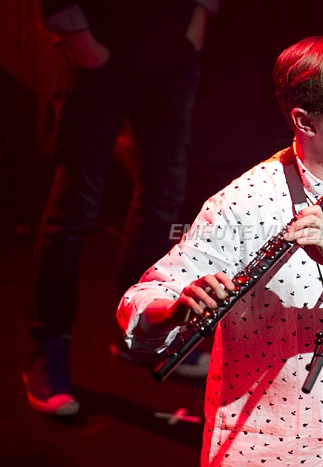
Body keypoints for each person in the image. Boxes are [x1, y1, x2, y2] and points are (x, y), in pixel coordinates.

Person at [117, 35, 323, 466]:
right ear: (305, 121)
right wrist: (176, 310)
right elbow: (139, 302)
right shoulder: (243, 204)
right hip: (267, 448)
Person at [23, 0, 219, 417]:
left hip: (172, 50)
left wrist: (198, 17)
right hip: (101, 48)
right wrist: (80, 37)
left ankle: (141, 337)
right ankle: (48, 348)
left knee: (162, 199)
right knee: (75, 208)